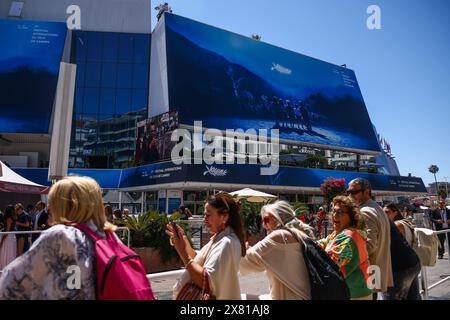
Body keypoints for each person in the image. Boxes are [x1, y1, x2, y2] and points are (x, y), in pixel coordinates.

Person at [0, 176, 117, 299]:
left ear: (67, 205)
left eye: (53, 201)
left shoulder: (61, 236)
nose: (48, 207)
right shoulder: (109, 234)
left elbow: (10, 283)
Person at [166, 192, 246, 300]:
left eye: (208, 215)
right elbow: (200, 261)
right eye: (204, 215)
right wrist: (184, 242)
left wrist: (183, 253)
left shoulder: (226, 242)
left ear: (225, 216)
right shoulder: (221, 238)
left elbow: (207, 281)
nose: (205, 219)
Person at [239, 201, 313, 300]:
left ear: (277, 218)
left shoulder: (279, 236)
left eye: (266, 220)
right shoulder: (299, 234)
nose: (264, 226)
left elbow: (245, 262)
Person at [318, 196, 372, 300]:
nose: (335, 215)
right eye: (333, 211)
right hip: (351, 291)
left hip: (355, 294)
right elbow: (324, 242)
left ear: (352, 216)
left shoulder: (349, 236)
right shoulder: (338, 233)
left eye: (340, 212)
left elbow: (331, 262)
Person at [347, 178, 393, 299]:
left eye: (354, 192)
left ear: (366, 192)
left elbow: (369, 246)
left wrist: (348, 258)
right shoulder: (376, 208)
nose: (350, 195)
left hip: (368, 271)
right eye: (348, 192)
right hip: (375, 269)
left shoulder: (365, 212)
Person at [383, 204, 421, 300]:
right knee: (414, 295)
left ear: (395, 212)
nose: (384, 214)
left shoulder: (397, 225)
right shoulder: (406, 222)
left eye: (387, 212)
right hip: (411, 261)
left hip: (401, 263)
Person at [0, 205, 17, 270]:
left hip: (8, 237)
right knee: (10, 253)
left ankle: (5, 268)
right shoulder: (13, 217)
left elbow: (7, 231)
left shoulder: (9, 218)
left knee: (5, 252)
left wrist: (1, 241)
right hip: (11, 236)